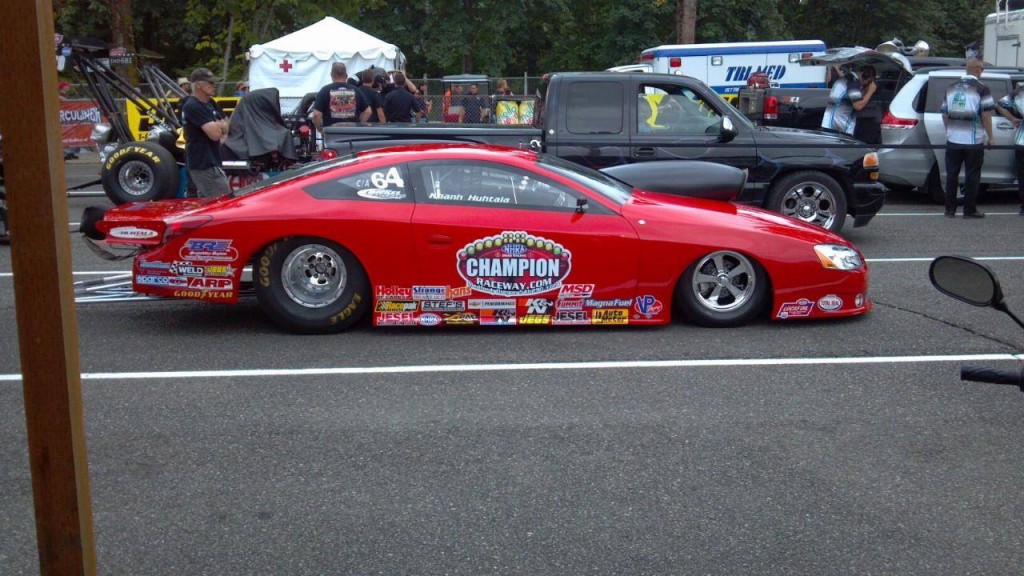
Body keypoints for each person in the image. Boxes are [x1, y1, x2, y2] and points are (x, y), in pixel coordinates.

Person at [941, 58, 994, 218]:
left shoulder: (951, 88)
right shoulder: (981, 88)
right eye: (982, 69)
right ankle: (969, 210)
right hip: (973, 140)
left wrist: (949, 130)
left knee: (952, 175)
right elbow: (986, 115)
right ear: (978, 70)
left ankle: (949, 209)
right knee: (972, 175)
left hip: (953, 140)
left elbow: (944, 113)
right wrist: (991, 136)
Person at [182, 67, 230, 198]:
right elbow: (214, 134)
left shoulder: (210, 103)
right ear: (198, 85)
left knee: (212, 202)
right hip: (202, 164)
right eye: (210, 83)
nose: (214, 85)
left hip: (213, 160)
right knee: (222, 201)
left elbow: (227, 123)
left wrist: (220, 129)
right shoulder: (193, 105)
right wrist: (220, 127)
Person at [312, 62, 369, 132]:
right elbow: (368, 111)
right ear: (346, 75)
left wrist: (321, 130)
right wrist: (358, 125)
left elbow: (316, 115)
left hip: (332, 136)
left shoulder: (324, 90)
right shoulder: (356, 90)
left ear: (331, 75)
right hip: (352, 134)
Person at [995, 81, 1024, 215]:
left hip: (1021, 141)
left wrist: (1012, 118)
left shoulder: (1019, 93)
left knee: (1022, 176)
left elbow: (999, 104)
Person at [820, 67, 861, 136]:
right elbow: (858, 105)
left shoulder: (843, 79)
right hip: (839, 124)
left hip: (829, 121)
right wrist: (870, 91)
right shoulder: (852, 82)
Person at [852, 65, 881, 145]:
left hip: (868, 122)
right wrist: (870, 91)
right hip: (858, 122)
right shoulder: (854, 85)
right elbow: (859, 105)